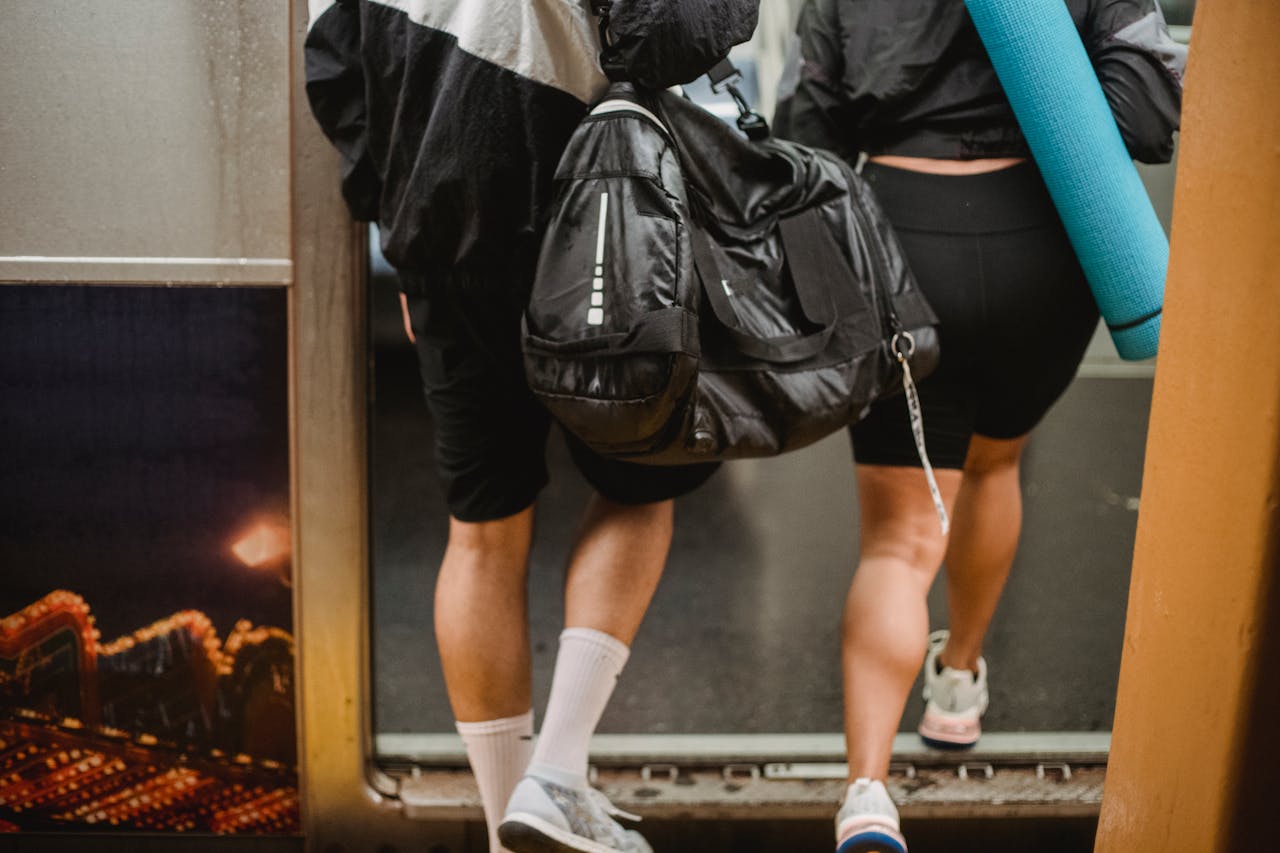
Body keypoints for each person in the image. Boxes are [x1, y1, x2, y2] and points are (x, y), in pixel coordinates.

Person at [304, 2, 759, 852]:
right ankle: (554, 775)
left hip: (441, 223)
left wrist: (394, 210)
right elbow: (673, 33)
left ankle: (507, 818)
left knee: (482, 524)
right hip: (601, 224)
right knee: (640, 486)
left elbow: (333, 55)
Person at [775, 2, 1184, 851]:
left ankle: (866, 794)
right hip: (1045, 245)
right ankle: (957, 680)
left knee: (899, 539)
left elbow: (805, 136)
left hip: (902, 247)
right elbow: (1147, 116)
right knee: (996, 467)